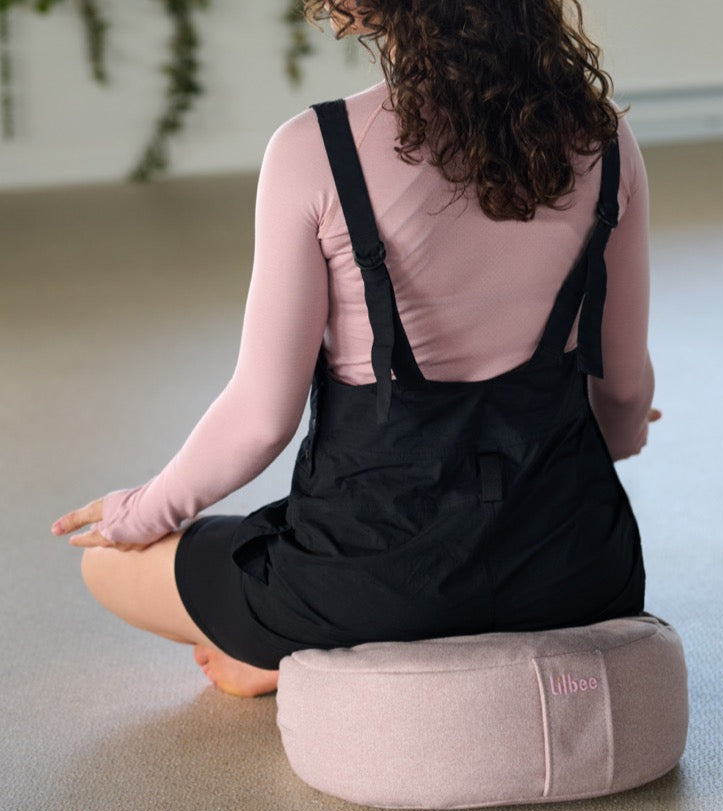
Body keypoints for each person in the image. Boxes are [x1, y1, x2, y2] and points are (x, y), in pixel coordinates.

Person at [52, 0, 661, 698]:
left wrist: (143, 509)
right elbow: (621, 392)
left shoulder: (315, 149)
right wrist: (619, 437)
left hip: (372, 586)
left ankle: (293, 653)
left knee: (106, 565)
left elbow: (260, 418)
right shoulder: (605, 142)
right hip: (577, 575)